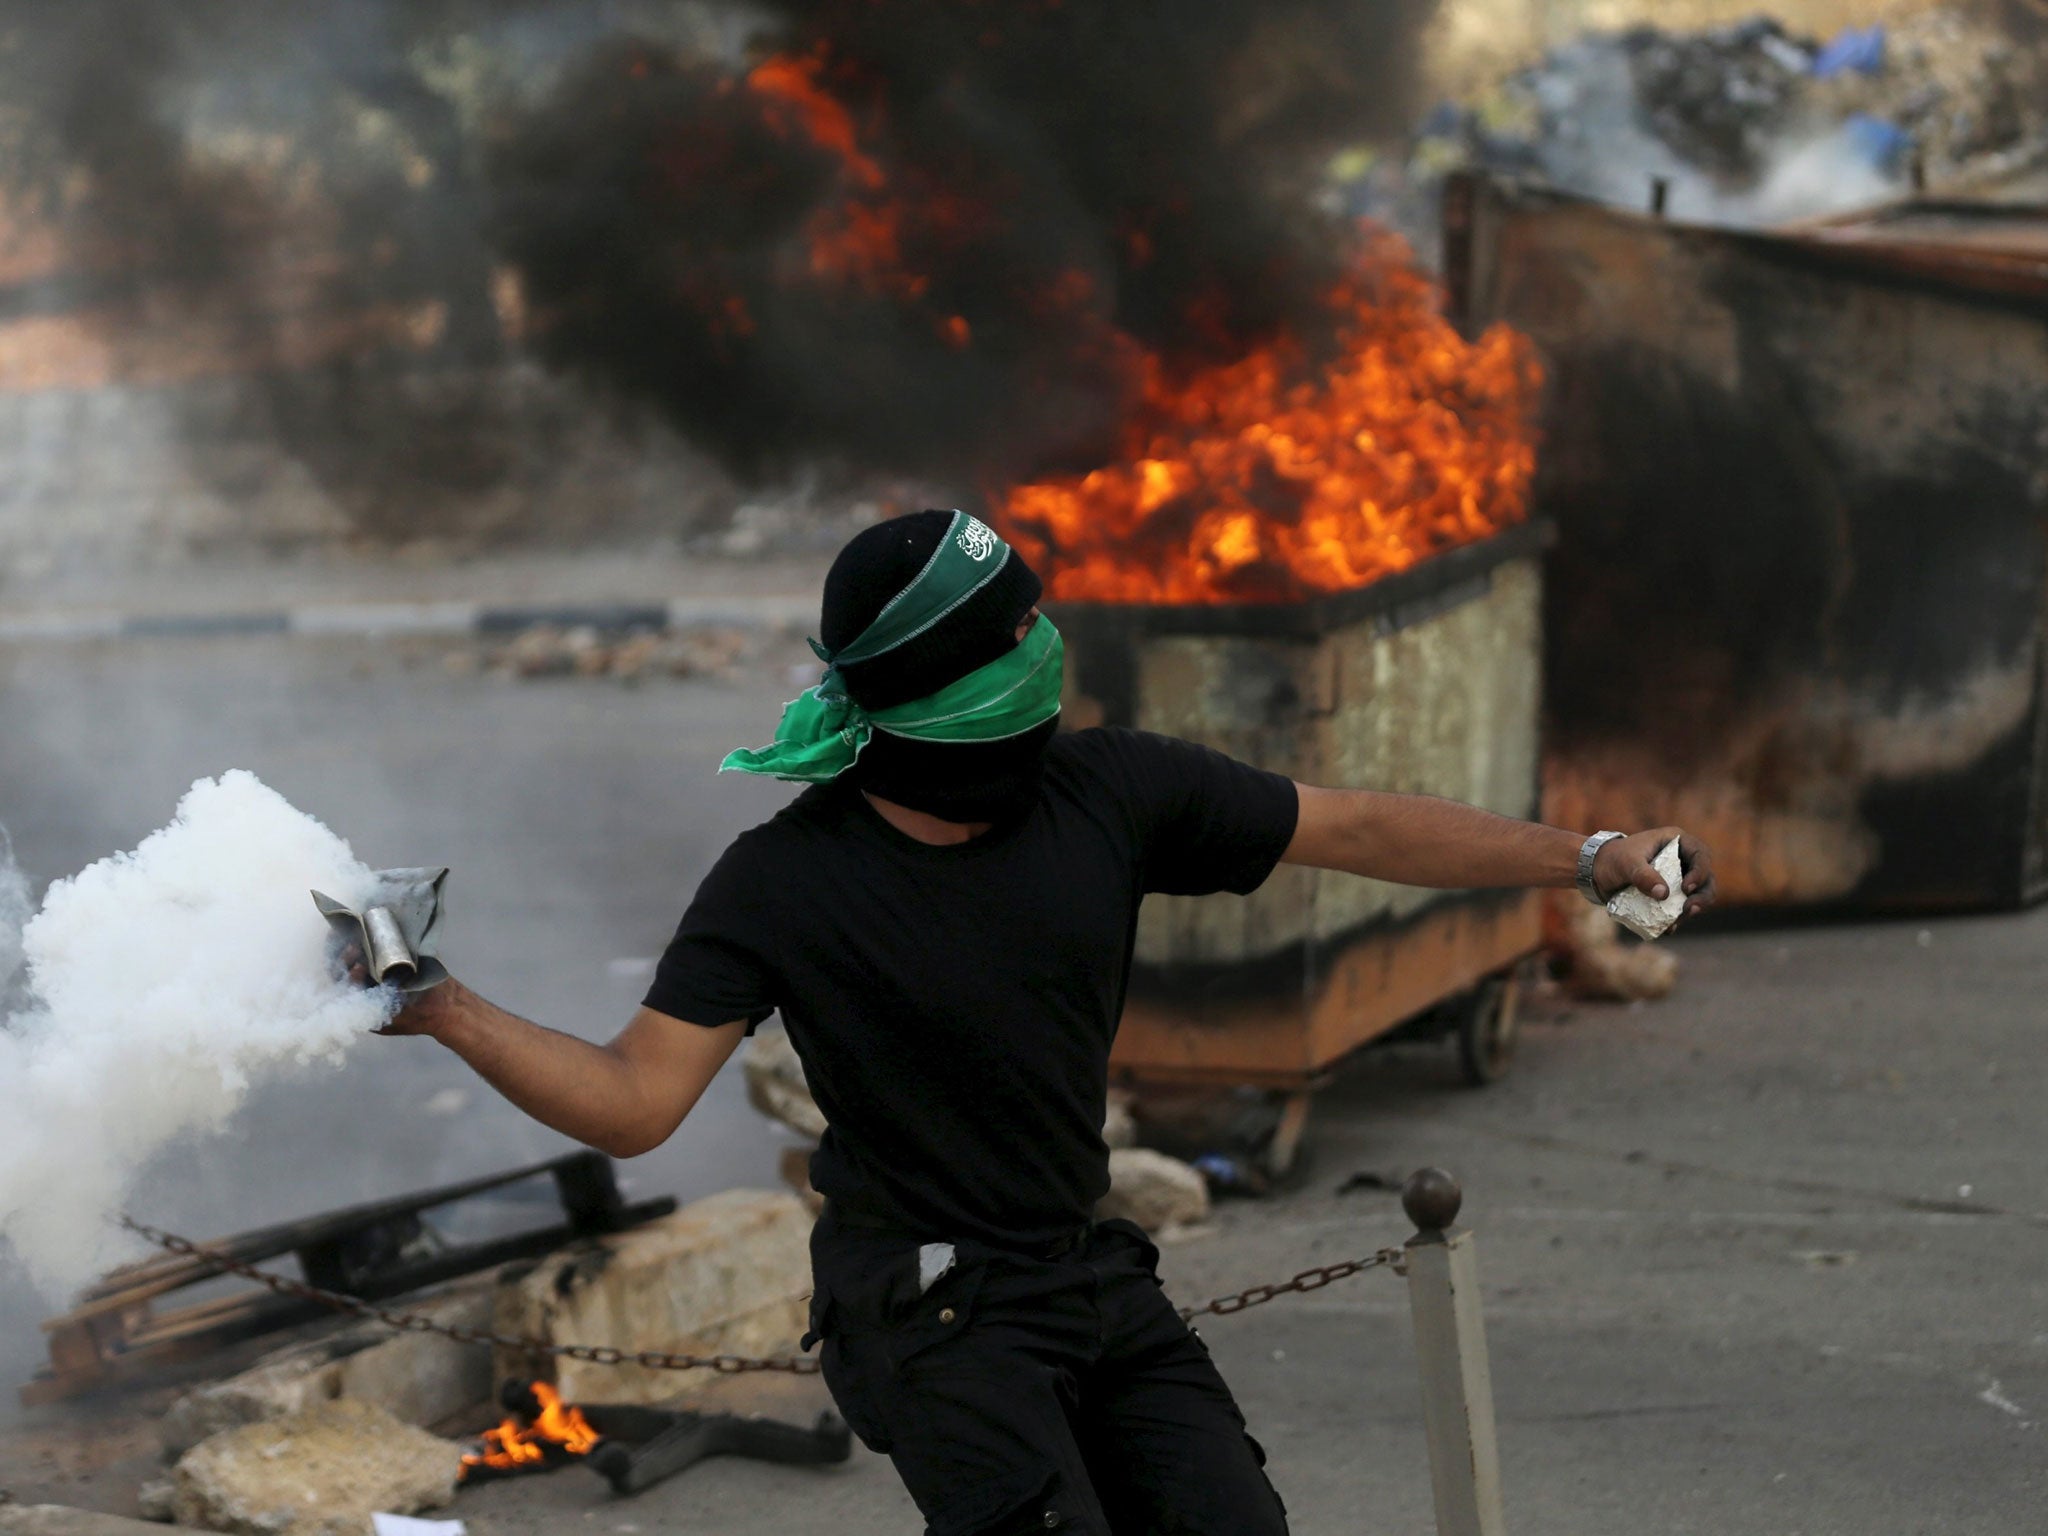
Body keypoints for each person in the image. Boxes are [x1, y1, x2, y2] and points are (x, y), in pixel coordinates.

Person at [374, 509, 1715, 1535]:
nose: (1046, 647)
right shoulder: (786, 881)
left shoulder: (1110, 791)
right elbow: (634, 1098)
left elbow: (1356, 826)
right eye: (1014, 634)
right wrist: (440, 1005)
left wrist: (1589, 852)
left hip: (1085, 1269)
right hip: (926, 1305)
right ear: (941, 686)